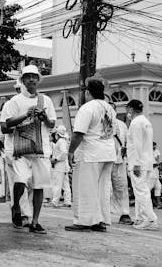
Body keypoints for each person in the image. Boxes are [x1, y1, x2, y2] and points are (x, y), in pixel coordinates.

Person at [3, 65, 56, 234]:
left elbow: (52, 124)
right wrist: (26, 115)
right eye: (28, 77)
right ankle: (16, 206)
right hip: (20, 149)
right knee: (21, 180)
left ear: (38, 80)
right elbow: (5, 125)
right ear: (23, 80)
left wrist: (44, 117)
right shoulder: (14, 102)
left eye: (34, 76)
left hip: (41, 149)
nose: (31, 79)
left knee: (39, 186)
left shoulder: (46, 100)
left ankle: (35, 221)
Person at [65, 77, 116, 232]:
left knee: (85, 187)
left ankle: (83, 220)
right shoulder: (110, 108)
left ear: (88, 92)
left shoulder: (88, 108)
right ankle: (100, 221)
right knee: (102, 189)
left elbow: (78, 134)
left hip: (91, 154)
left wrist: (70, 151)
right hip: (108, 152)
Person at [0, 79, 33, 229]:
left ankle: (24, 211)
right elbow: (4, 128)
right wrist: (21, 127)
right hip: (13, 148)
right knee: (19, 180)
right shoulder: (10, 104)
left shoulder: (35, 103)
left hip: (29, 147)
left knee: (30, 182)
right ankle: (20, 212)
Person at [126, 99, 158, 230]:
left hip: (138, 162)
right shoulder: (146, 121)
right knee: (141, 191)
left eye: (127, 109)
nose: (127, 112)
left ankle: (150, 219)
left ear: (131, 109)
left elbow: (138, 144)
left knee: (141, 191)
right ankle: (140, 218)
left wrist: (137, 164)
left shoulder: (135, 123)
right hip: (147, 161)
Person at [109, 102, 134, 225]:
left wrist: (126, 154)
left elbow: (128, 142)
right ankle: (102, 216)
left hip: (119, 160)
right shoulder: (100, 124)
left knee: (122, 187)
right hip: (104, 160)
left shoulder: (122, 125)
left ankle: (125, 214)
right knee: (104, 188)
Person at [51, 125, 72, 208]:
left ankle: (55, 201)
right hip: (64, 166)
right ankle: (67, 201)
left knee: (57, 184)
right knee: (65, 184)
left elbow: (63, 152)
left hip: (59, 166)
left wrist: (55, 159)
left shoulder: (60, 141)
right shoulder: (64, 141)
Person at [150, 142, 162, 209]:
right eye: (153, 146)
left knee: (158, 187)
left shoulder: (157, 151)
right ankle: (148, 204)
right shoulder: (147, 152)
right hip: (150, 172)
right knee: (148, 188)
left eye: (155, 146)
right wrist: (154, 164)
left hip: (156, 172)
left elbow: (157, 159)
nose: (154, 147)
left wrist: (158, 165)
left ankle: (159, 203)